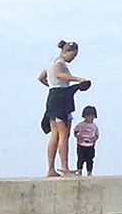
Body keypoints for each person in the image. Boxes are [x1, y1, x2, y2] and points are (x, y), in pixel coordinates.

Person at [37, 40, 91, 177]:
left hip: (53, 96)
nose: (73, 58)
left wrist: (51, 86)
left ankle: (51, 169)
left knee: (55, 135)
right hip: (60, 98)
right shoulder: (59, 62)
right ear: (66, 51)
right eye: (73, 55)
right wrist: (78, 79)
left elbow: (41, 77)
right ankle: (64, 168)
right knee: (63, 135)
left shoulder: (51, 61)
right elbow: (58, 74)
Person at [73, 106, 100, 176]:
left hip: (90, 146)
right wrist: (78, 137)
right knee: (80, 159)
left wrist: (93, 140)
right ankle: (79, 171)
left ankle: (89, 172)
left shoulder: (94, 126)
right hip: (81, 145)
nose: (90, 118)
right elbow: (75, 131)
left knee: (90, 160)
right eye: (88, 116)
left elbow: (97, 135)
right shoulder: (80, 125)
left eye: (92, 116)